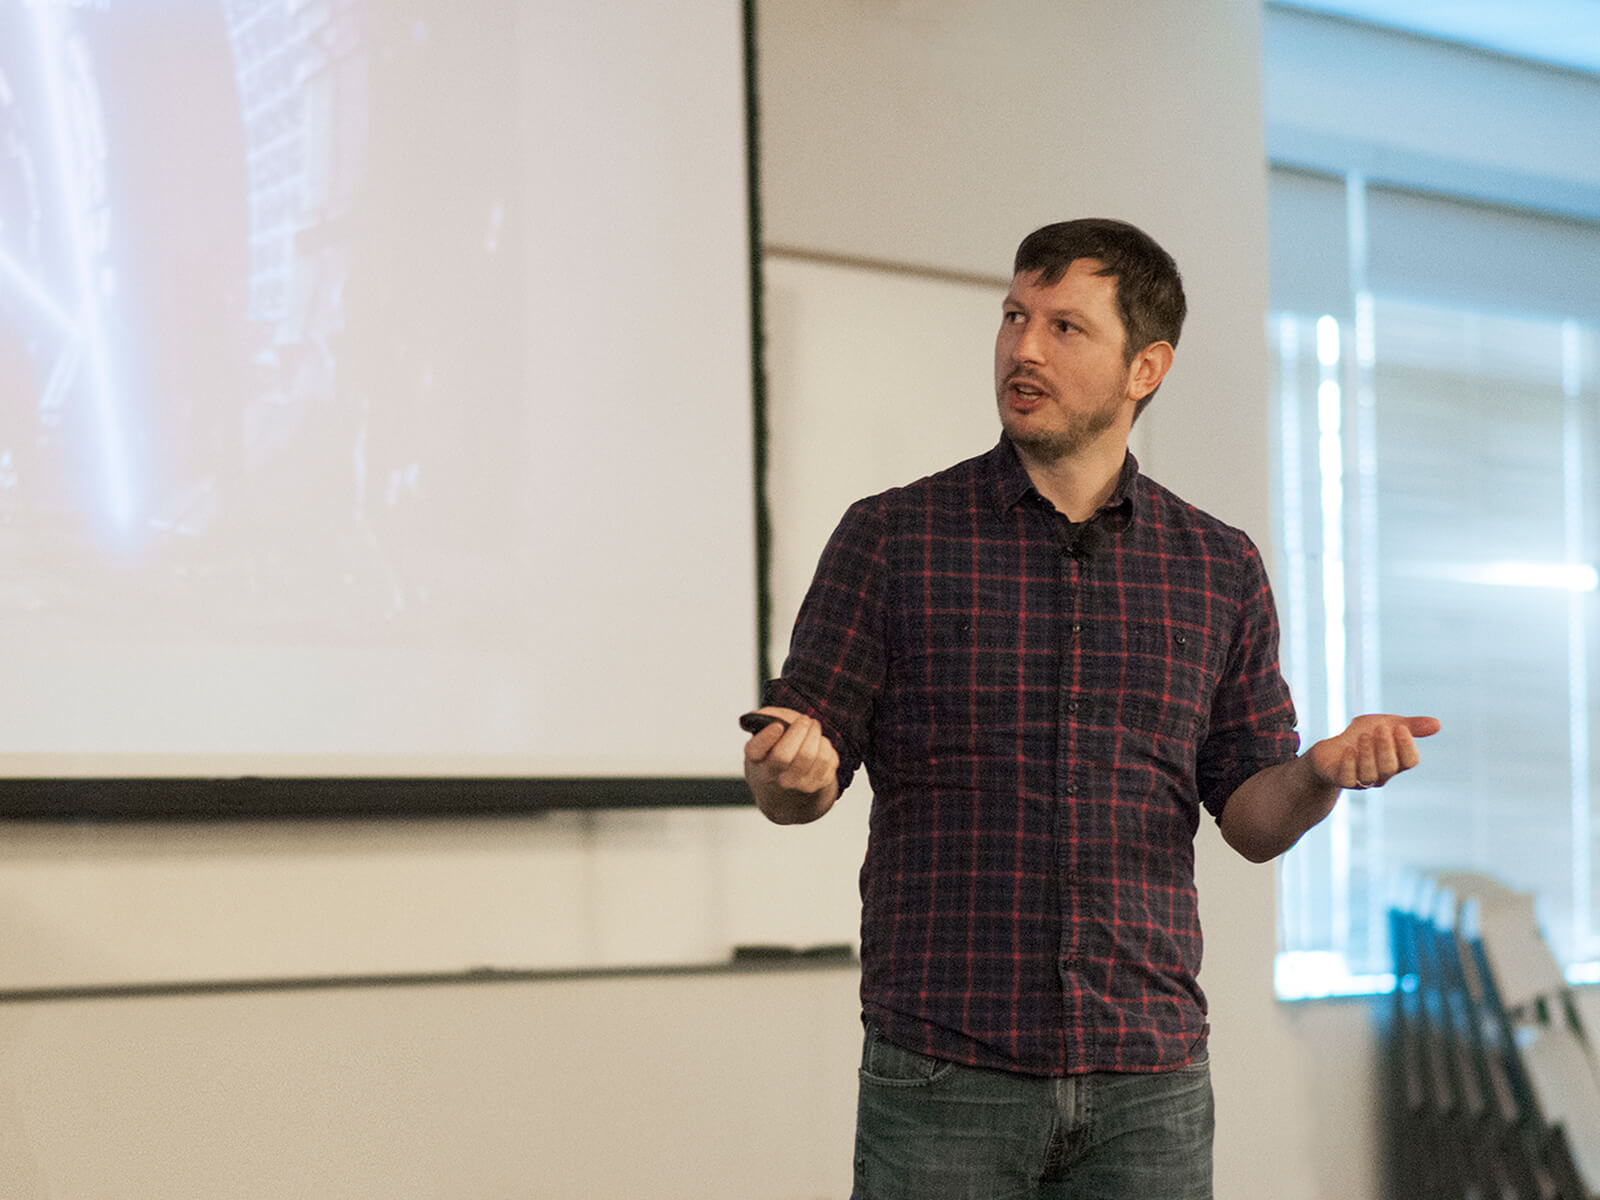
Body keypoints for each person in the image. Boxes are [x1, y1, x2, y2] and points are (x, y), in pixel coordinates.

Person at [741, 218, 1440, 1200]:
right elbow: (792, 769)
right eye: (1014, 317)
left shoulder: (1216, 564)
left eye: (1064, 327)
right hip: (946, 1066)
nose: (1022, 348)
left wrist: (1317, 777)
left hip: (1146, 1078)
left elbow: (1249, 815)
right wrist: (788, 771)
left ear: (1143, 368)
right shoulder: (892, 537)